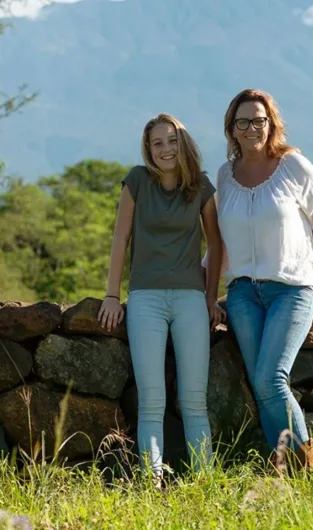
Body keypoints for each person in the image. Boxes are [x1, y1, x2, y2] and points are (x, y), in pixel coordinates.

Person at [204, 88, 313, 472]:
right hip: (242, 296)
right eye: (243, 122)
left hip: (292, 290)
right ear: (231, 130)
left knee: (271, 379)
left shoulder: (293, 165)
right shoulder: (225, 176)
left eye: (259, 120)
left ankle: (307, 470)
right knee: (260, 384)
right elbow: (218, 243)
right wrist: (207, 294)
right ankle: (285, 467)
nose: (252, 128)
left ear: (271, 124)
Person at [98, 112, 223, 482]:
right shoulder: (136, 180)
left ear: (182, 142)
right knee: (151, 402)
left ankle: (205, 484)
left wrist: (212, 297)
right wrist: (110, 295)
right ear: (148, 149)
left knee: (194, 402)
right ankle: (152, 484)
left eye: (171, 140)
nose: (165, 149)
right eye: (157, 143)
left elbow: (216, 244)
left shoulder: (200, 186)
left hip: (190, 301)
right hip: (145, 300)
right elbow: (120, 239)